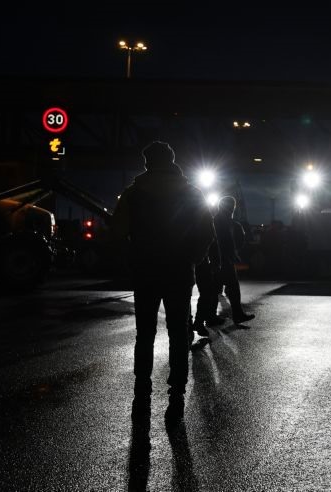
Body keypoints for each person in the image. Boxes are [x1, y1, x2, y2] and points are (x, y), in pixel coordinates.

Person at [111, 141, 215, 424]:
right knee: (178, 331)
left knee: (144, 332)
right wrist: (192, 258)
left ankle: (142, 386)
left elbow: (117, 233)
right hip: (179, 270)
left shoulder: (133, 194)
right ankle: (177, 391)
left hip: (145, 269)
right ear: (171, 161)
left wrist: (130, 257)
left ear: (147, 163)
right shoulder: (192, 193)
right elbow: (207, 231)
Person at [211, 196, 255, 325]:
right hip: (225, 260)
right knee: (233, 287)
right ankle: (237, 314)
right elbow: (231, 241)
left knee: (215, 289)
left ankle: (211, 317)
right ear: (232, 207)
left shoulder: (215, 220)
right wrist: (233, 253)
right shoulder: (230, 223)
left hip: (217, 259)